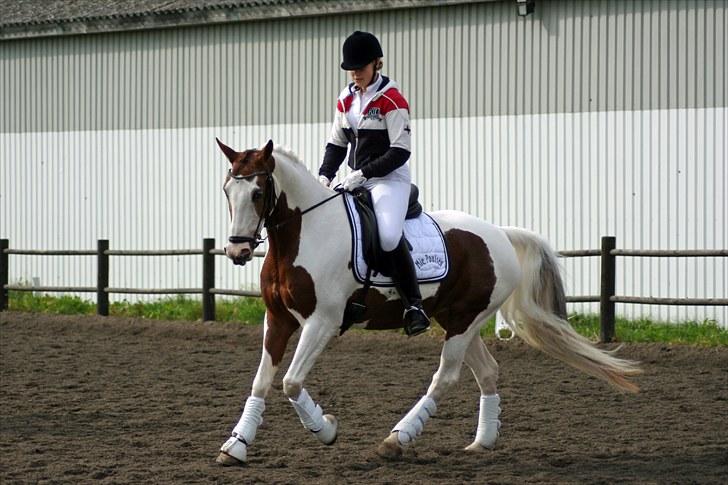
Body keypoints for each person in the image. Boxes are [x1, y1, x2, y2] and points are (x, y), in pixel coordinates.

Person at [318, 31, 430, 337]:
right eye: (351, 68)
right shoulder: (346, 98)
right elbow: (336, 144)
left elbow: (400, 151)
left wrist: (362, 174)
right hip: (356, 179)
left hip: (389, 181)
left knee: (389, 237)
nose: (355, 73)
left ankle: (414, 305)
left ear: (376, 64)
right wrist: (325, 175)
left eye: (361, 67)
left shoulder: (393, 100)